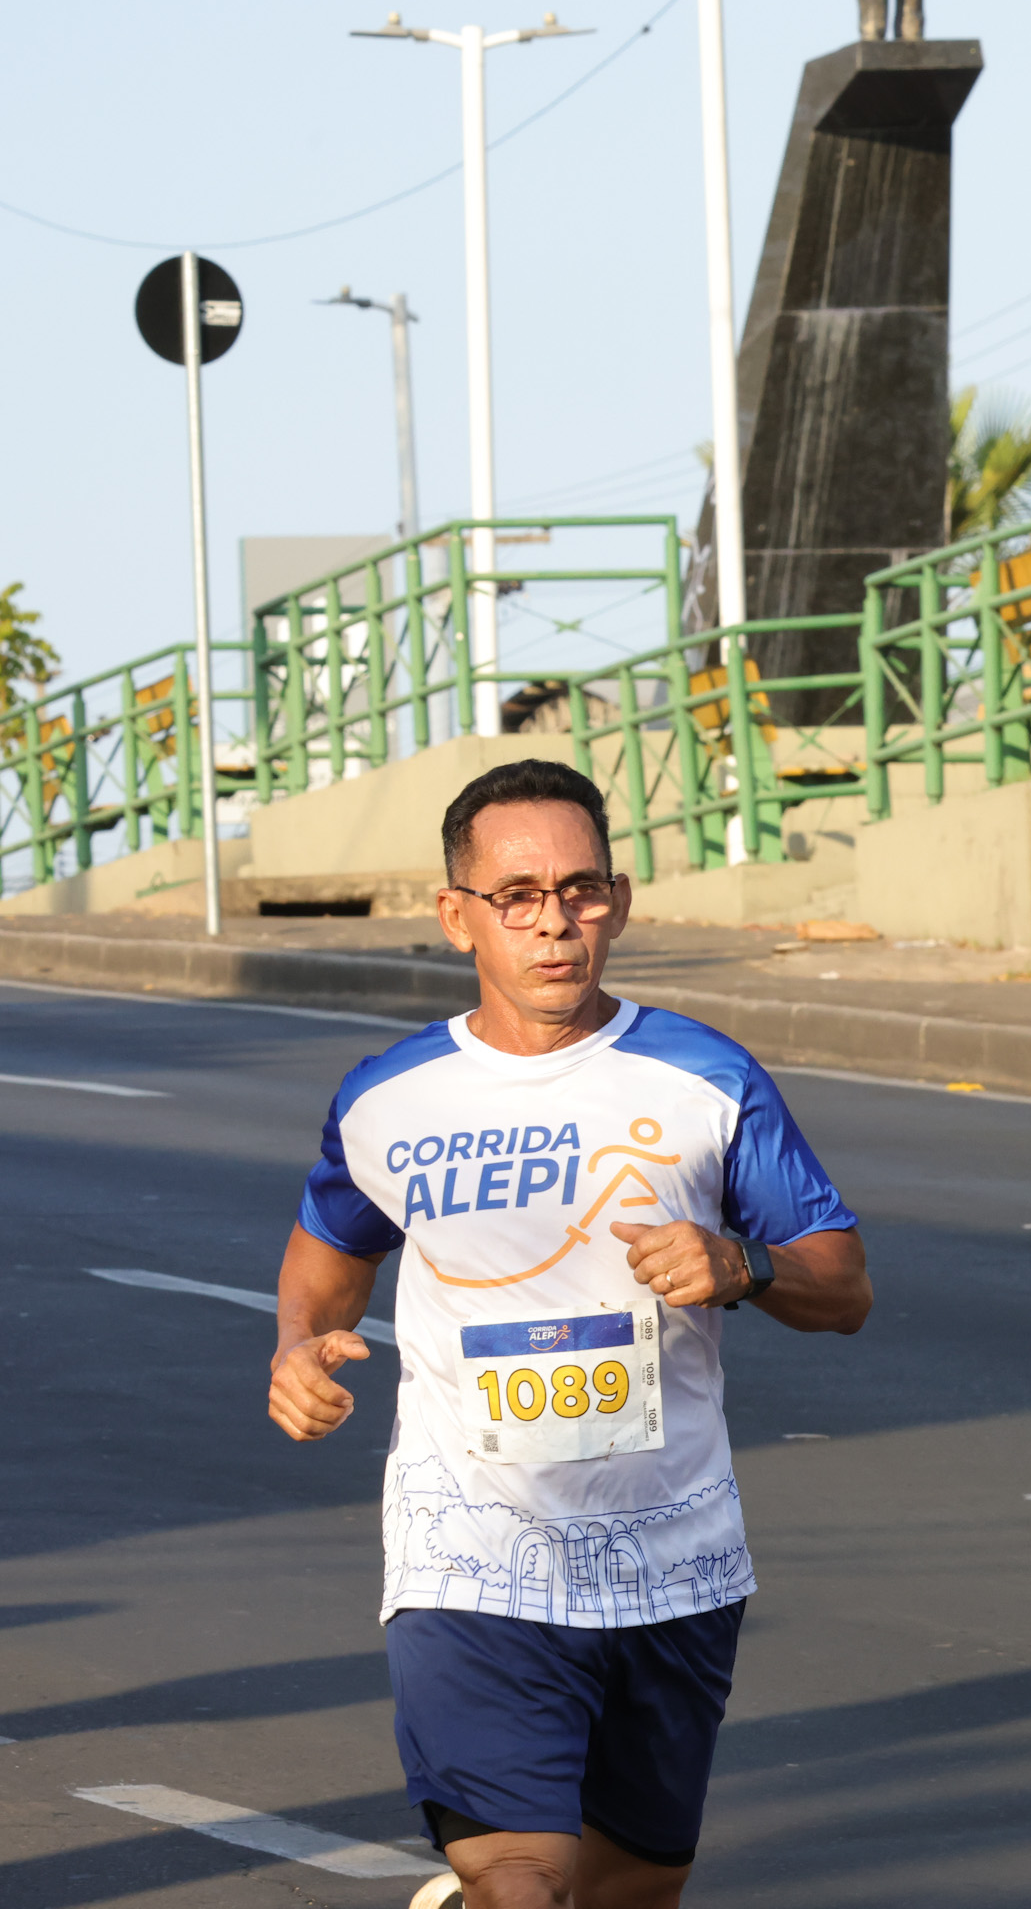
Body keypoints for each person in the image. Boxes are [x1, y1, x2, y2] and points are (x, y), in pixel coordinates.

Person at [266, 758, 872, 1909]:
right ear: (459, 916)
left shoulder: (705, 1076)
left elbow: (843, 1284)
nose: (557, 923)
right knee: (523, 1880)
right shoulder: (389, 1098)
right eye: (520, 895)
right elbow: (329, 1246)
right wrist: (298, 1342)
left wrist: (741, 1263)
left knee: (631, 1889)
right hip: (471, 1551)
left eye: (583, 890)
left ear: (621, 899)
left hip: (673, 1553)